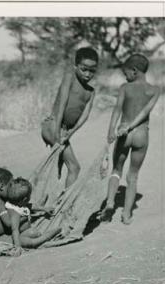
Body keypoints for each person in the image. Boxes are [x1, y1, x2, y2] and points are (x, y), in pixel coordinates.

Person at [101, 54, 160, 224]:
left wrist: (112, 130)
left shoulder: (125, 88)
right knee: (133, 176)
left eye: (125, 72)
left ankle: (110, 203)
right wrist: (133, 126)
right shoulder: (154, 90)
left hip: (123, 133)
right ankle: (127, 214)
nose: (125, 76)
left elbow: (117, 110)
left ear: (134, 71)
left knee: (116, 171)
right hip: (141, 134)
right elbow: (145, 112)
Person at [41, 47, 98, 188]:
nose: (87, 74)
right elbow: (61, 106)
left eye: (92, 71)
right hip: (54, 125)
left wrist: (70, 133)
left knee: (58, 167)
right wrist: (57, 134)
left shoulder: (90, 92)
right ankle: (64, 205)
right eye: (84, 69)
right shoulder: (69, 78)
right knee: (74, 167)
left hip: (65, 131)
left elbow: (85, 116)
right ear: (75, 67)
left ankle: (52, 201)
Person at [6, 177, 61, 255]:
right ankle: (46, 237)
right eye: (29, 196)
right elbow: (15, 230)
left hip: (28, 229)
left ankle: (40, 204)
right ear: (25, 199)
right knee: (28, 241)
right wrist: (18, 247)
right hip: (21, 235)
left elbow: (29, 206)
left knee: (33, 229)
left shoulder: (18, 204)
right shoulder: (15, 213)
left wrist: (44, 209)